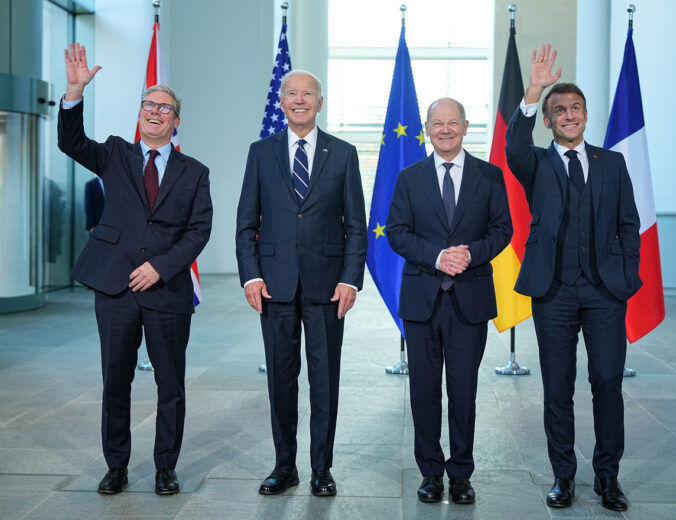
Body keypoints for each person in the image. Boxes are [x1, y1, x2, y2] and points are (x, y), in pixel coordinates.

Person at [58, 43, 213, 496]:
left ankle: (166, 467)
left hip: (166, 291)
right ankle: (117, 466)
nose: (155, 112)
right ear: (140, 112)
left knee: (171, 386)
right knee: (115, 383)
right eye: (149, 104)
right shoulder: (114, 155)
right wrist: (73, 91)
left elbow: (198, 231)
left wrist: (159, 268)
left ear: (175, 121)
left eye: (165, 108)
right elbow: (71, 141)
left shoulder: (194, 172)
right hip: (115, 288)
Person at [505, 44, 641, 512]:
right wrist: (533, 92)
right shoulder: (535, 164)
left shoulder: (612, 163)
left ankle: (608, 477)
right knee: (557, 387)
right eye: (558, 110)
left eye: (575, 108)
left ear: (585, 116)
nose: (568, 115)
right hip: (553, 291)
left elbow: (629, 224)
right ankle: (563, 476)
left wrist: (627, 275)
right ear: (548, 120)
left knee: (606, 381)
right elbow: (513, 147)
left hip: (605, 292)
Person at [235, 70, 366, 497]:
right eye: (291, 93)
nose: (299, 100)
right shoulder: (260, 152)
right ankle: (284, 466)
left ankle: (321, 470)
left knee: (324, 381)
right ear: (282, 101)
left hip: (328, 289)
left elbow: (356, 228)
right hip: (274, 287)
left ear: (320, 102)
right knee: (281, 380)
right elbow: (245, 223)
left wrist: (350, 281)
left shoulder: (343, 154)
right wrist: (251, 275)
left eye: (307, 94)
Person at [387, 98, 513, 505]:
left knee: (463, 390)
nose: (445, 129)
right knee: (424, 390)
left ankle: (461, 473)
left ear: (465, 126)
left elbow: (502, 230)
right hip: (422, 298)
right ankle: (430, 472)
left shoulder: (490, 176)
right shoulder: (410, 177)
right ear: (426, 128)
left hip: (469, 300)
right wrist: (438, 256)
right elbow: (397, 232)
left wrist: (470, 254)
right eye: (437, 123)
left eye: (452, 123)